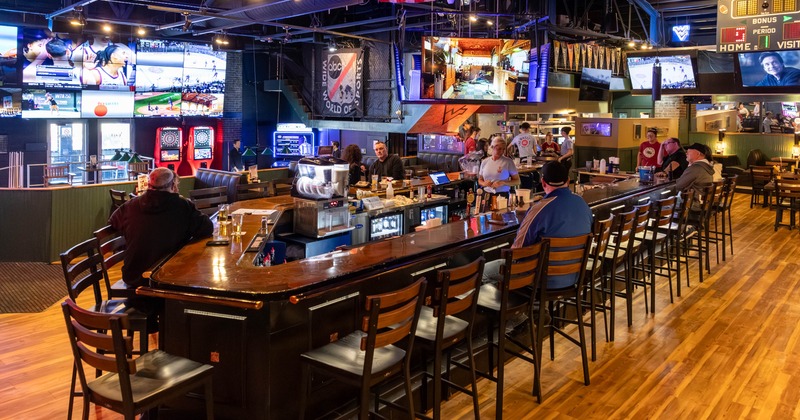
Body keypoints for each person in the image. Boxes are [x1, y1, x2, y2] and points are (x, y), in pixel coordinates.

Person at [109, 168, 213, 288]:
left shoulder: (131, 205)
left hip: (133, 277)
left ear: (148, 185)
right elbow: (207, 228)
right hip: (168, 278)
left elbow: (113, 224)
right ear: (173, 185)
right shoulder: (183, 205)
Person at [512, 161, 592, 288]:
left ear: (543, 182)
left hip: (540, 280)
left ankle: (518, 307)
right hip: (574, 276)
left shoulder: (539, 209)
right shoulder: (583, 204)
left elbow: (516, 251)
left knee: (488, 270)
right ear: (568, 180)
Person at [676, 143, 714, 212]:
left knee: (657, 205)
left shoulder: (696, 168)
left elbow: (678, 186)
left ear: (698, 154)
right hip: (703, 204)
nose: (686, 153)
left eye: (688, 151)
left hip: (692, 205)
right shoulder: (705, 166)